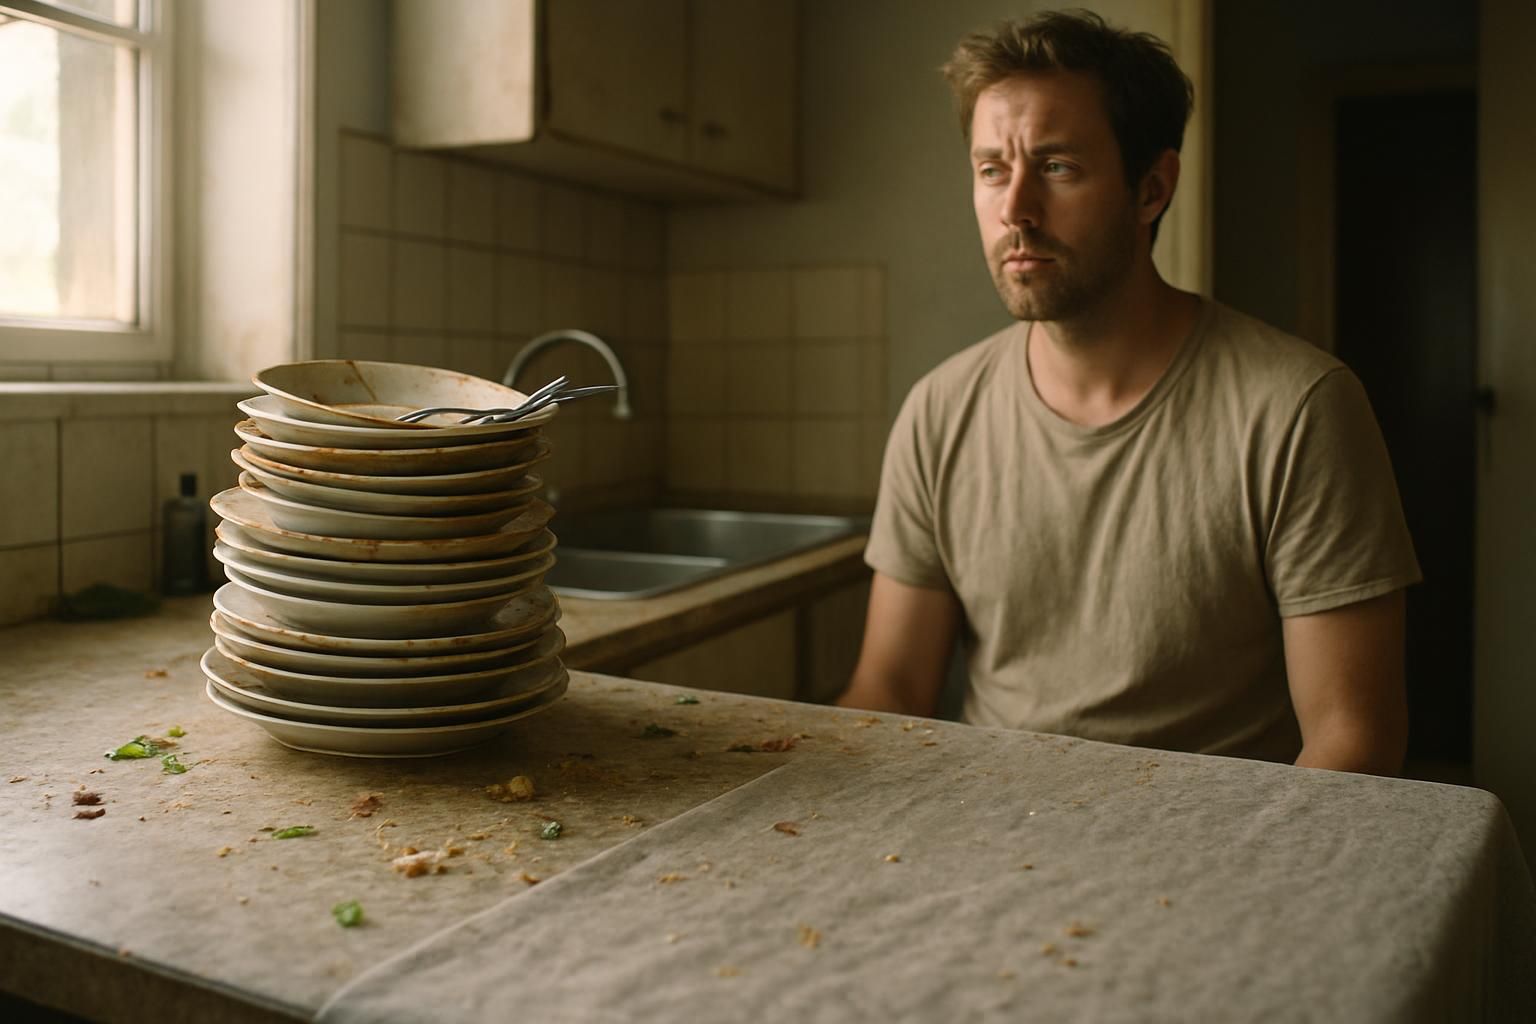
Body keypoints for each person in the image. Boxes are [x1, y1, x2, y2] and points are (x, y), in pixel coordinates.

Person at [837, 10, 1421, 775]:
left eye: (1056, 167)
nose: (1015, 209)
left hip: (1212, 855)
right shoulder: (940, 411)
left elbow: (1354, 739)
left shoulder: (1297, 409)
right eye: (990, 170)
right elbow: (890, 685)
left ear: (1152, 188)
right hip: (988, 833)